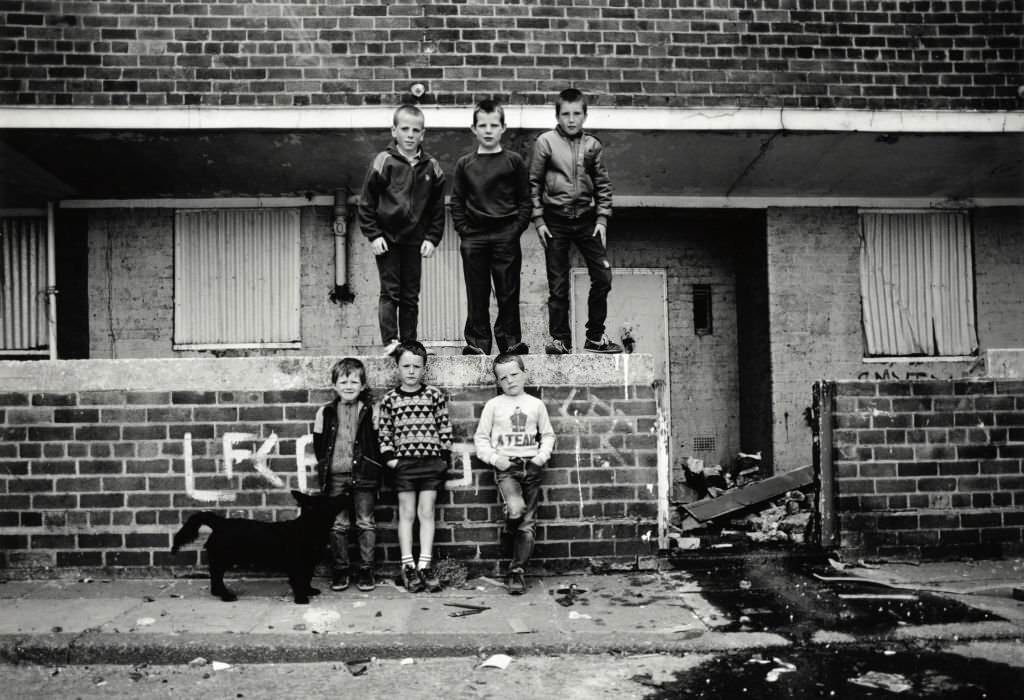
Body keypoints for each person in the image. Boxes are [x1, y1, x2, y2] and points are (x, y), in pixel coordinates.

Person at [529, 87, 623, 355]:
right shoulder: (545, 142)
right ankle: (560, 340)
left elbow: (603, 185)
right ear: (558, 116)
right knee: (558, 286)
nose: (571, 119)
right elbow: (533, 183)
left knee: (603, 276)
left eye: (576, 114)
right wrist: (539, 220)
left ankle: (595, 337)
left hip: (586, 219)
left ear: (584, 116)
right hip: (554, 220)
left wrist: (602, 219)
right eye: (566, 114)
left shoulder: (592, 145)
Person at [358, 104, 447, 356]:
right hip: (386, 238)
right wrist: (373, 234)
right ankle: (391, 341)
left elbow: (437, 208)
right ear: (394, 131)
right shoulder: (383, 161)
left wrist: (432, 237)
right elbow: (366, 203)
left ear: (423, 134)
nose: (410, 134)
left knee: (410, 295)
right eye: (404, 129)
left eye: (415, 130)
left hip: (415, 239)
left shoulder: (432, 166)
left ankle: (409, 343)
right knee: (390, 291)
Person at [450, 99, 532, 356]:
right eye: (482, 125)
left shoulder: (514, 161)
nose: (488, 130)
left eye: (493, 125)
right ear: (473, 129)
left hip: (505, 235)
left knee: (508, 293)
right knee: (477, 294)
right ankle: (477, 344)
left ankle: (510, 343)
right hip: (473, 237)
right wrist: (464, 230)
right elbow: (457, 201)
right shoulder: (465, 164)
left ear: (503, 128)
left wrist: (514, 230)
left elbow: (525, 201)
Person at [473, 353, 555, 594]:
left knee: (527, 524)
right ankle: (511, 531)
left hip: (531, 466)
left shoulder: (535, 405)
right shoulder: (494, 405)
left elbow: (548, 434)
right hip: (507, 468)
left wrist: (540, 458)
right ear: (498, 382)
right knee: (517, 510)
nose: (510, 380)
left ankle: (516, 571)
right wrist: (495, 459)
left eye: (514, 374)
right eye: (503, 377)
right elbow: (481, 438)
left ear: (525, 374)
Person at [377, 341, 454, 593]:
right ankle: (408, 565)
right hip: (404, 464)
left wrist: (443, 456)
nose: (411, 371)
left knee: (427, 512)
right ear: (397, 367)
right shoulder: (390, 399)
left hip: (431, 462)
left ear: (424, 369)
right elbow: (385, 430)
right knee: (407, 513)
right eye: (406, 365)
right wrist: (390, 458)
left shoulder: (433, 395)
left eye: (417, 366)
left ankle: (425, 565)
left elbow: (444, 426)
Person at [312, 358, 382, 593]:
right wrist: (328, 467)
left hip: (363, 475)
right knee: (338, 525)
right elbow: (319, 445)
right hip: (336, 477)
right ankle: (341, 569)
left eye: (355, 381)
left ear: (363, 386)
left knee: (365, 522)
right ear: (334, 385)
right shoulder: (326, 412)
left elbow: (377, 442)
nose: (349, 385)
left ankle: (366, 569)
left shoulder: (371, 411)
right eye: (343, 381)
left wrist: (372, 466)